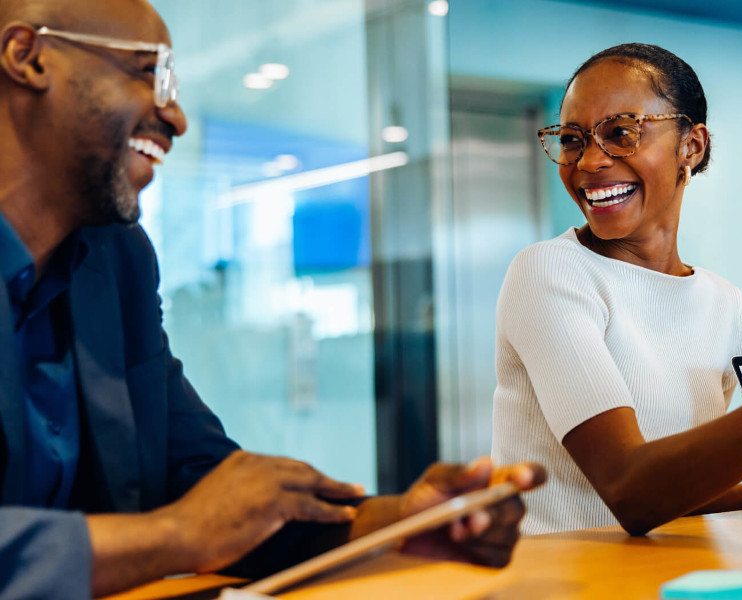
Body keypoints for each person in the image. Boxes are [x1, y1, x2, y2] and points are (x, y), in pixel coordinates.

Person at [0, 0, 547, 598]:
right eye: (147, 73)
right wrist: (176, 535)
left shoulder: (115, 260)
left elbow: (199, 481)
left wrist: (398, 522)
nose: (175, 116)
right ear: (27, 56)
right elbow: (190, 522)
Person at [491, 42, 742, 536]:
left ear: (691, 147)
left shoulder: (729, 308)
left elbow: (672, 491)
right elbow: (631, 492)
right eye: (573, 140)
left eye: (621, 134)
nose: (590, 161)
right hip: (555, 581)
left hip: (659, 581)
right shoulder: (549, 273)